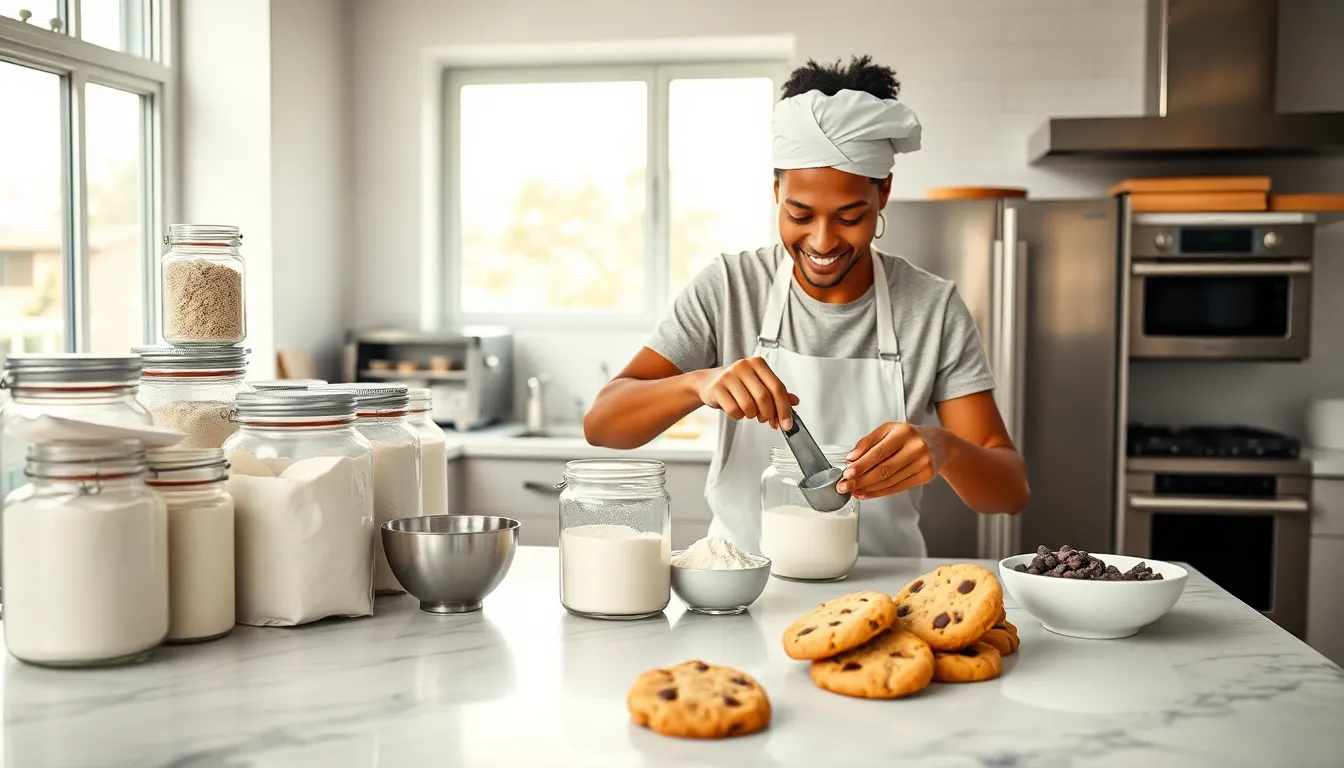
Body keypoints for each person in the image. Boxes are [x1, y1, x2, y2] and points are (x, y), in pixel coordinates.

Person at [583, 55, 1030, 556]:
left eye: (849, 216)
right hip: (743, 594)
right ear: (776, 191)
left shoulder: (931, 308)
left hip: (883, 598)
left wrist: (944, 448)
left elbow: (1010, 494)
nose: (822, 241)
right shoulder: (730, 288)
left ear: (882, 193)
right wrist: (698, 383)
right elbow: (602, 424)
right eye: (799, 214)